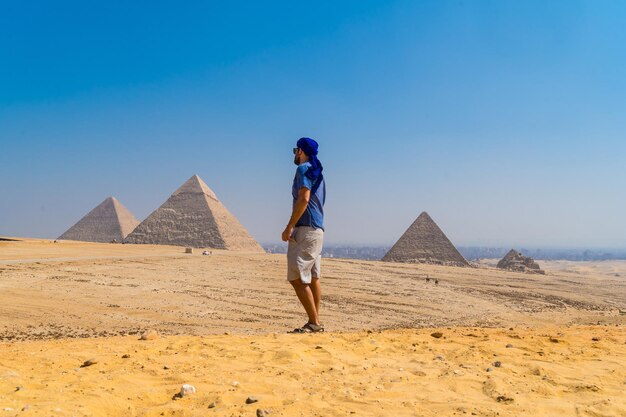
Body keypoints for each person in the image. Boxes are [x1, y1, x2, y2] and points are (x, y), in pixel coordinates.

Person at [282, 137, 326, 333]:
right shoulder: (318, 173)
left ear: (301, 151)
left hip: (305, 229)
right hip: (317, 230)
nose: (295, 154)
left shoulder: (303, 169)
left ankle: (314, 323)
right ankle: (315, 321)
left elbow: (304, 199)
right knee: (313, 278)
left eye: (295, 150)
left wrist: (290, 225)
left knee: (297, 278)